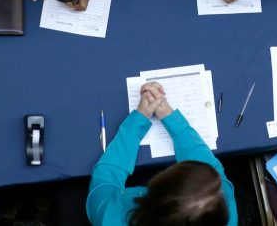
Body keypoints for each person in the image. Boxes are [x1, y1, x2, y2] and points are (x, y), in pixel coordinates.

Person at [86, 82, 238, 226]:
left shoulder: (111, 219)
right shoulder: (222, 206)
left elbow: (104, 179)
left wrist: (138, 120)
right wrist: (169, 115)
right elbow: (209, 166)